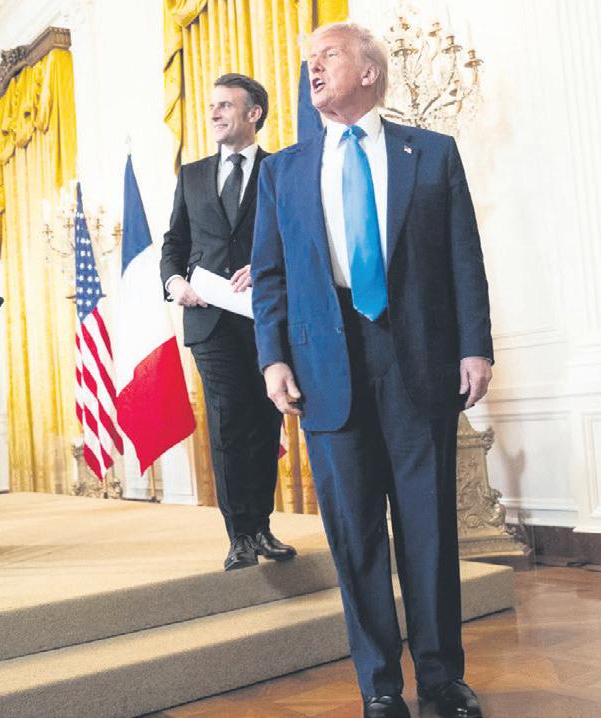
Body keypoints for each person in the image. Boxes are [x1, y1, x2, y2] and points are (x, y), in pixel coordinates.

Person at [251, 22, 493, 718]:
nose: (312, 68)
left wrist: (474, 346)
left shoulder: (432, 153)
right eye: (308, 60)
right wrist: (272, 358)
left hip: (418, 360)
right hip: (326, 365)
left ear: (368, 71)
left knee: (428, 528)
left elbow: (463, 257)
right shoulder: (282, 170)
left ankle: (441, 679)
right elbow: (270, 277)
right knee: (355, 536)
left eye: (326, 56)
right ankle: (379, 685)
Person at [161, 72, 296, 571]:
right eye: (212, 105)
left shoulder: (281, 170)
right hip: (209, 320)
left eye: (225, 105)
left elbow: (298, 236)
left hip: (265, 319)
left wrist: (265, 266)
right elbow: (174, 242)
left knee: (264, 422)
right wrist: (174, 282)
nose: (214, 113)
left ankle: (261, 527)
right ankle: (239, 534)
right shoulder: (192, 175)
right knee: (229, 421)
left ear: (254, 113)